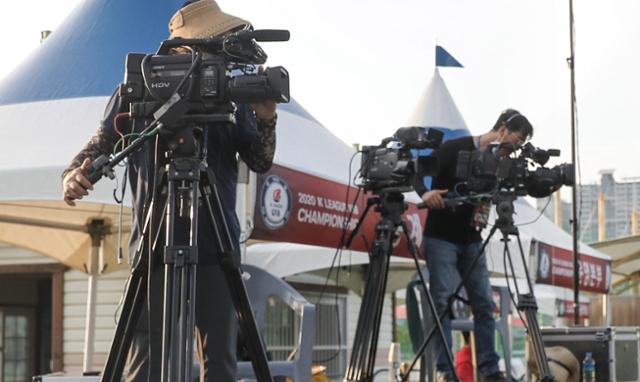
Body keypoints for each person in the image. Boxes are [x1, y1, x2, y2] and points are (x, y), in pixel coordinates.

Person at [61, 1, 278, 381]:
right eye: (222, 39)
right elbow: (98, 146)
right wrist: (73, 176)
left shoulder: (232, 92)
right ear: (194, 44)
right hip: (155, 239)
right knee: (146, 361)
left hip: (216, 243)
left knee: (220, 364)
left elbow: (260, 161)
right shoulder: (141, 84)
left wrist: (266, 116)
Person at [416, 109, 533, 382]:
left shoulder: (499, 165)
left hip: (471, 238)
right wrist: (426, 193)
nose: (512, 151)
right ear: (502, 129)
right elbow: (419, 170)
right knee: (441, 303)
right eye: (514, 142)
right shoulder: (455, 147)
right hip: (441, 236)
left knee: (484, 304)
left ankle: (490, 370)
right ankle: (445, 371)